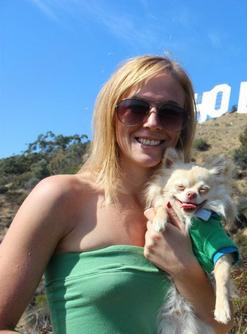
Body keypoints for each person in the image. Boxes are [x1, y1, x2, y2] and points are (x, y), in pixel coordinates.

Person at [0, 55, 233, 333]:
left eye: (170, 113)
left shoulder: (190, 212)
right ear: (110, 113)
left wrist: (185, 269)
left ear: (183, 124)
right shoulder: (59, 197)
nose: (153, 122)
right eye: (135, 109)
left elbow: (219, 328)